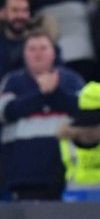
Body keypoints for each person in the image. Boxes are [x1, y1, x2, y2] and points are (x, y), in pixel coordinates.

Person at [0, 29, 84, 200]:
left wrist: (55, 93)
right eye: (32, 49)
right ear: (24, 53)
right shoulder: (12, 81)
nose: (38, 54)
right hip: (22, 172)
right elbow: (6, 111)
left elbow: (83, 110)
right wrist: (43, 93)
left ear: (54, 52)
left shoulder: (71, 80)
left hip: (64, 171)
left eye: (43, 48)